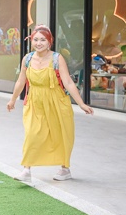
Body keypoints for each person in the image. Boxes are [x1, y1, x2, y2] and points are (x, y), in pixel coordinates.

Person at [7, 24, 93, 182]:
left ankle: (65, 168)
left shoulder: (56, 58)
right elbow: (21, 81)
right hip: (35, 101)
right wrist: (12, 99)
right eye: (36, 40)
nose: (39, 43)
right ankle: (26, 169)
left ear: (49, 42)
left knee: (60, 134)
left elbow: (67, 82)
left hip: (57, 101)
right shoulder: (27, 58)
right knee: (32, 134)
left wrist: (81, 103)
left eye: (43, 40)